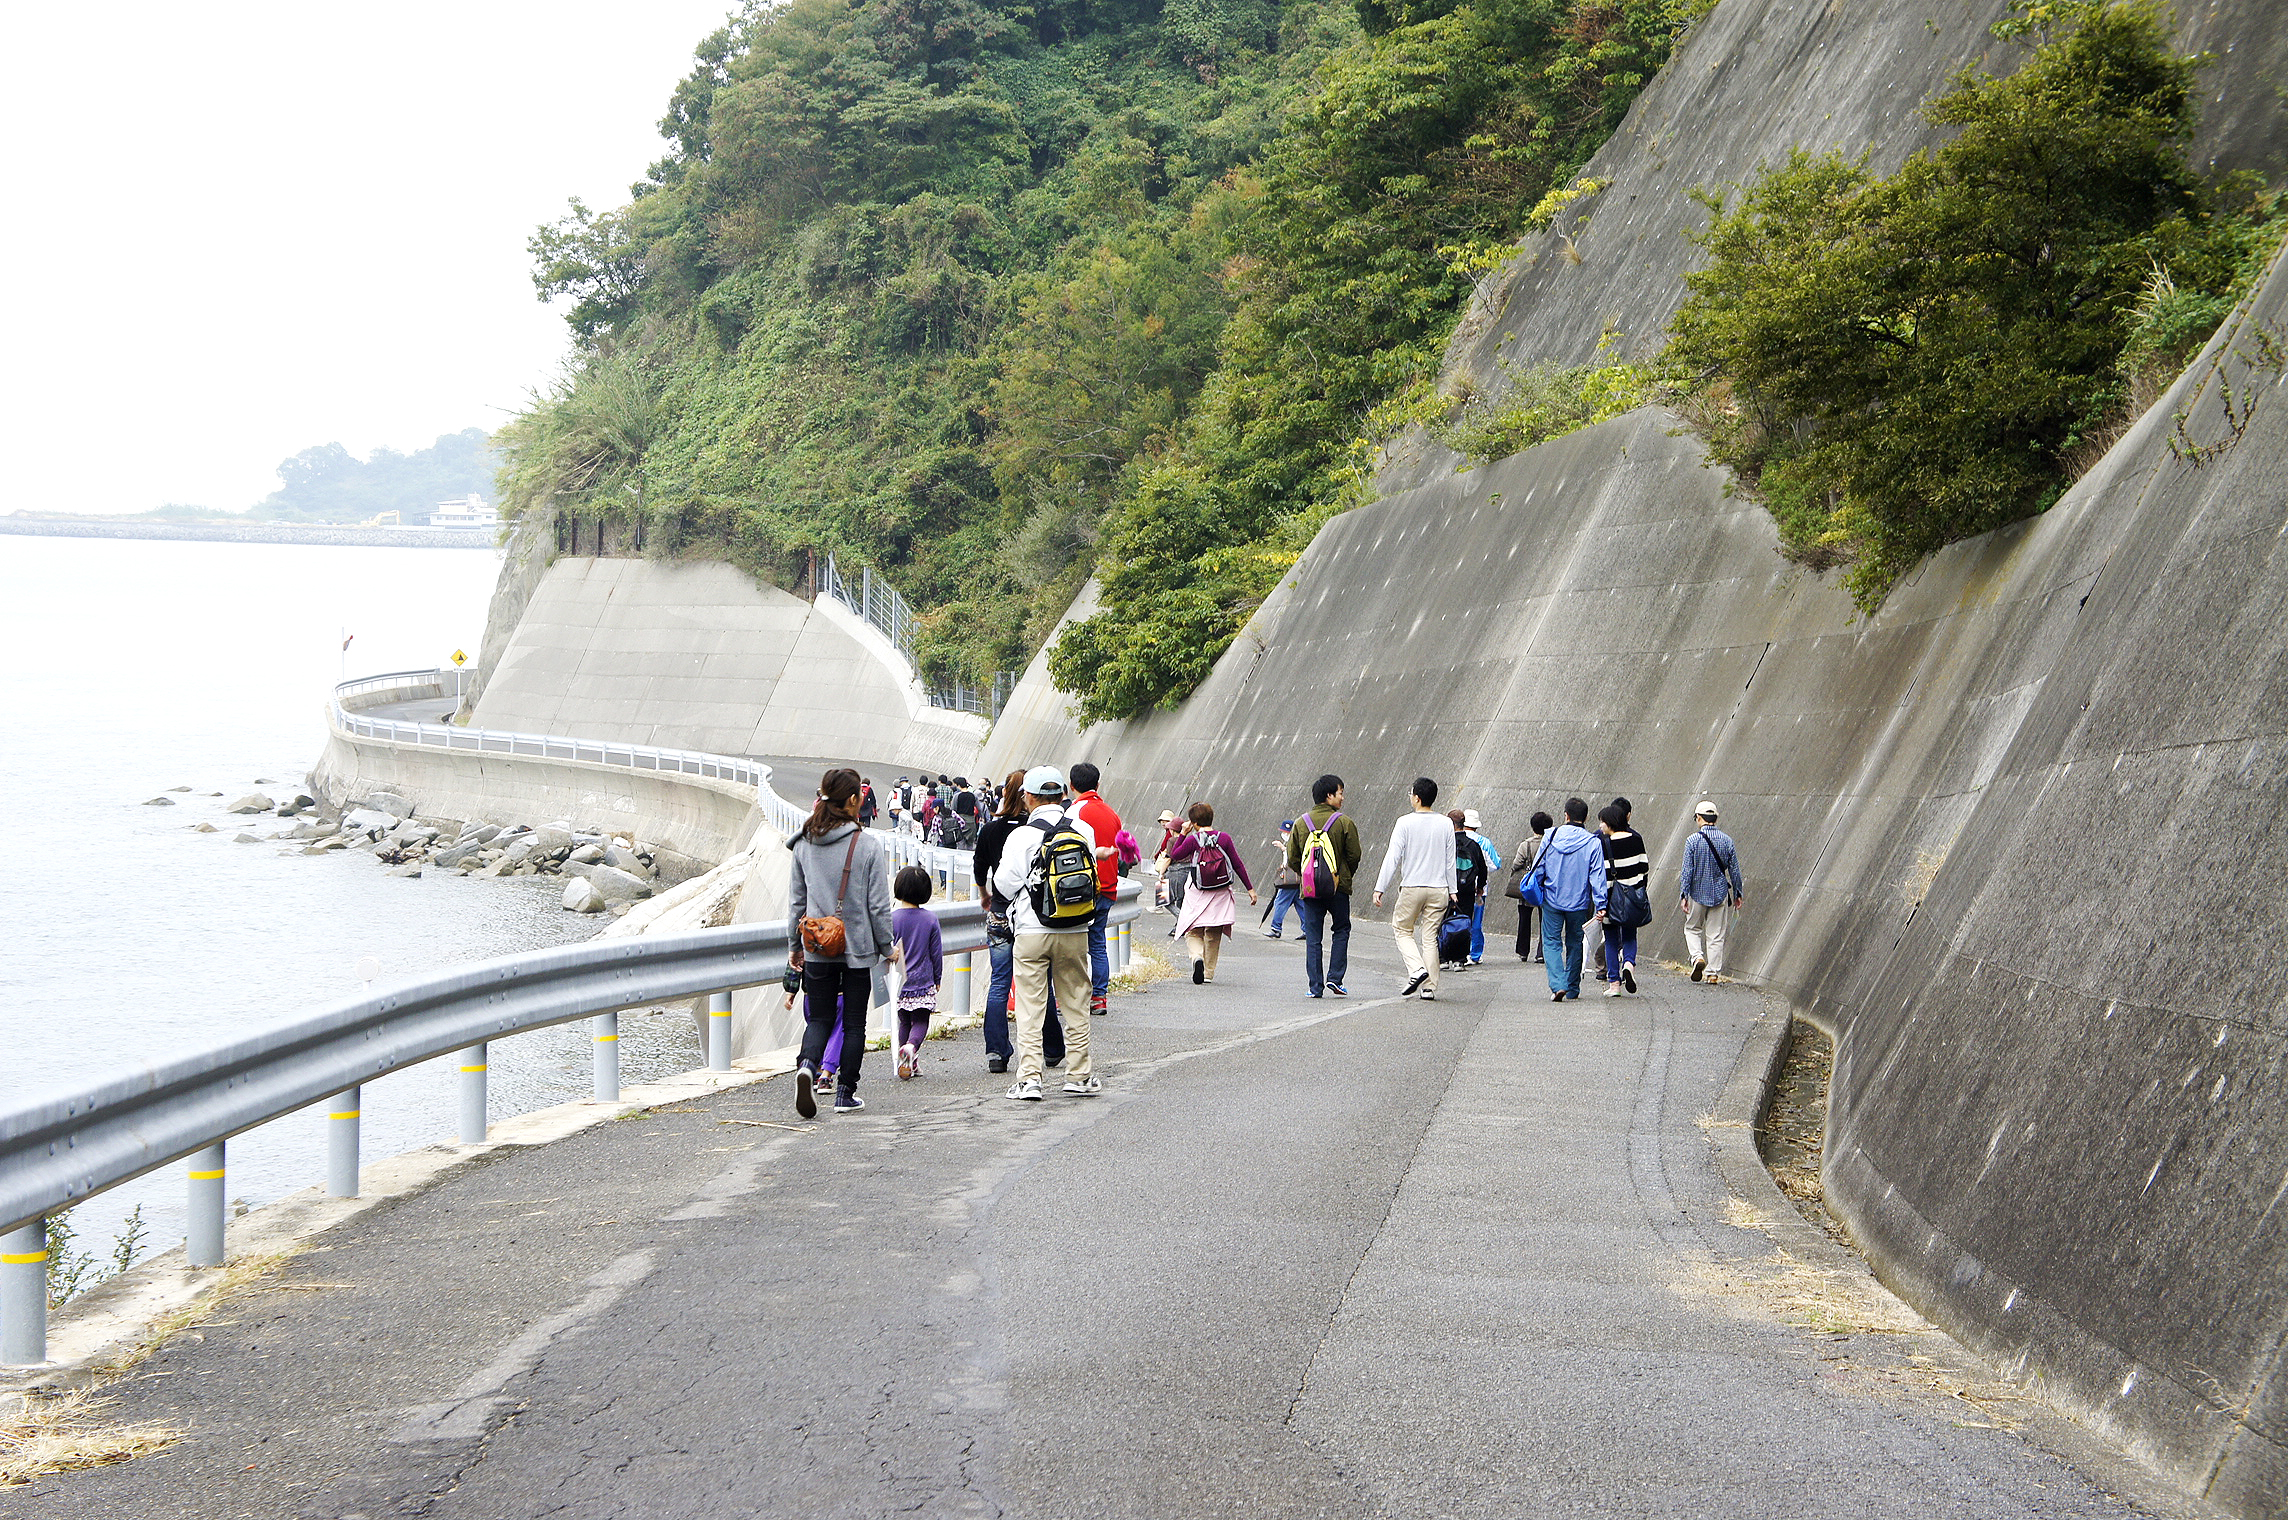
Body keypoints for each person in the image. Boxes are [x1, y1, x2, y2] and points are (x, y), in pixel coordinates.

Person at [789, 768, 897, 1117]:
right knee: (853, 1023)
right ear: (852, 800)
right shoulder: (866, 845)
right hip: (857, 949)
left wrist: (794, 946)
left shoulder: (803, 843)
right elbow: (878, 906)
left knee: (819, 1019)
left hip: (817, 947)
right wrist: (886, 947)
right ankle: (845, 1094)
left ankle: (807, 1065)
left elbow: (796, 902)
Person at [993, 766, 1099, 1100]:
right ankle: (1079, 1075)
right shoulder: (1082, 829)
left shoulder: (1021, 836)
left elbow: (1004, 884)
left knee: (1030, 1006)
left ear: (1029, 797)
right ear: (1062, 794)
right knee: (1076, 1002)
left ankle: (1030, 1079)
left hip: (1031, 931)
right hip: (1075, 928)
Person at [974, 770, 1065, 1074]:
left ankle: (997, 1053)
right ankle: (1052, 1048)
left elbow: (980, 869)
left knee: (1000, 982)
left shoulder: (990, 830)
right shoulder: (1037, 829)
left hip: (1000, 914)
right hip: (1035, 916)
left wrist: (985, 894)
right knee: (1043, 983)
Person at [1373, 777, 1457, 1000]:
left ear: (1417, 798)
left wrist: (1380, 887)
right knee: (1429, 937)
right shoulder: (1446, 823)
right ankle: (1429, 987)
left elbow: (1393, 857)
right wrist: (1453, 890)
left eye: (1411, 794)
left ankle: (1417, 970)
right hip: (1439, 887)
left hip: (1412, 886)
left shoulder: (1404, 822)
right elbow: (1450, 860)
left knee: (1402, 929)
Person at [1288, 775, 1361, 998]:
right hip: (1338, 888)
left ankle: (1315, 987)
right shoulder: (1344, 822)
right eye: (1340, 793)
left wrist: (1307, 875)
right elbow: (1354, 855)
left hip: (1310, 890)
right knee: (1341, 929)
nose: (1342, 797)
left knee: (1313, 936)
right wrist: (1343, 876)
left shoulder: (1301, 823)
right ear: (1329, 795)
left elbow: (1292, 857)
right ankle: (1335, 978)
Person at [1166, 802, 1256, 983]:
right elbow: (1237, 863)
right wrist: (1250, 889)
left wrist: (1183, 833)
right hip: (1220, 890)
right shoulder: (1224, 838)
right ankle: (1208, 973)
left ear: (1194, 823)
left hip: (1197, 890)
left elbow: (1175, 854)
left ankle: (1197, 957)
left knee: (1193, 930)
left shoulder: (1193, 839)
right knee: (1214, 931)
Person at [1528, 797, 1606, 1002]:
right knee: (1575, 942)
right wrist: (1601, 903)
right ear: (1586, 817)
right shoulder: (1592, 842)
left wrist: (1537, 891)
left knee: (1552, 942)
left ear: (1566, 815)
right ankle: (1572, 988)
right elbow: (1597, 876)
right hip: (1579, 903)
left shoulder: (1551, 836)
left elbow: (1539, 867)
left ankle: (1558, 985)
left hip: (1552, 899)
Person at [1067, 762, 1123, 1018]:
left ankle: (1068, 998)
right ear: (1098, 785)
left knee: (1071, 945)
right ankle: (1099, 998)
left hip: (1081, 889)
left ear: (1071, 786)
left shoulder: (1074, 812)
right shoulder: (1112, 813)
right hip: (1108, 886)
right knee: (1097, 943)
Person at [1680, 799, 1745, 984]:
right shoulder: (1727, 841)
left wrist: (1684, 894)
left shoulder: (1692, 841)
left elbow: (1687, 871)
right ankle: (1713, 974)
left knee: (1692, 928)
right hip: (1719, 893)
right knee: (1716, 934)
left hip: (1697, 892)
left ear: (1699, 818)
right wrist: (1738, 893)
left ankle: (1697, 957)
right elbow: (1735, 871)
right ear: (1715, 818)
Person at [891, 865, 942, 1077]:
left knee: (904, 1021)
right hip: (923, 980)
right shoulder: (930, 919)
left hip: (900, 981)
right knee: (920, 1021)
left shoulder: (892, 918)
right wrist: (937, 978)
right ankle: (911, 1048)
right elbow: (936, 952)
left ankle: (908, 1062)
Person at [1598, 804, 1650, 996]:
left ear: (1610, 823)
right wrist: (1638, 888)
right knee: (1630, 934)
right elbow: (1644, 867)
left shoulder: (1604, 844)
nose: (1601, 826)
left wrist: (1602, 904)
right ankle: (1628, 963)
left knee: (1611, 941)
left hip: (1612, 900)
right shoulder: (1637, 840)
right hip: (1633, 897)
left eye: (1602, 822)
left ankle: (1614, 985)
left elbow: (1604, 877)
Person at [1441, 809, 1488, 970]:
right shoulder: (1473, 845)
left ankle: (1442, 957)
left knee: (1442, 921)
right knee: (1464, 923)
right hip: (1467, 890)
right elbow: (1482, 869)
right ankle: (1460, 959)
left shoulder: (1444, 843)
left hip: (1446, 889)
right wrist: (1480, 887)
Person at [1462, 809, 1501, 965]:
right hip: (1479, 888)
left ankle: (1458, 953)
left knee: (1459, 919)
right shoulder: (1484, 842)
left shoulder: (1455, 838)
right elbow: (1496, 864)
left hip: (1458, 887)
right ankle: (1475, 954)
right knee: (1476, 921)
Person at [1512, 811, 1552, 962]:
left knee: (1524, 918)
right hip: (1545, 886)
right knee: (1545, 920)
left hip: (1528, 887)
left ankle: (1523, 951)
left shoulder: (1526, 845)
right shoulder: (1551, 844)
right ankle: (1541, 953)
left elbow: (1516, 864)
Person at [1154, 810, 1195, 933]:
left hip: (1174, 871)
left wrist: (1161, 873)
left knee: (1162, 899)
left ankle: (1182, 920)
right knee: (1181, 900)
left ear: (1172, 829)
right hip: (1188, 872)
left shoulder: (1171, 841)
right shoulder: (1189, 840)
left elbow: (1168, 859)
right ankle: (1179, 928)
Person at [1262, 821, 1301, 938]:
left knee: (1279, 902)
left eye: (1285, 832)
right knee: (1300, 904)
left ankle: (1276, 928)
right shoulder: (1297, 841)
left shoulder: (1292, 843)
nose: (1283, 834)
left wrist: (1283, 848)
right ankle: (1307, 929)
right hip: (1297, 879)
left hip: (1290, 880)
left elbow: (1292, 856)